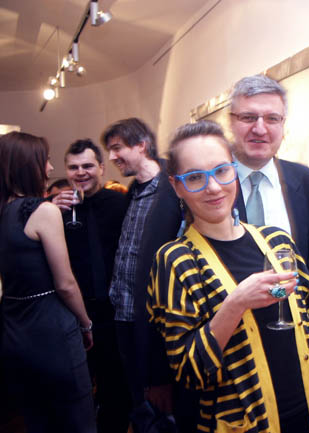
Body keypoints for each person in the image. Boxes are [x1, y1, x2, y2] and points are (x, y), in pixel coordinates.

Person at [147, 120, 309, 433]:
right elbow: (189, 372)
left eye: (221, 171)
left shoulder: (277, 241)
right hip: (245, 422)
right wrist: (236, 303)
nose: (213, 187)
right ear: (177, 186)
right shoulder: (176, 261)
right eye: (195, 177)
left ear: (234, 170)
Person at [0, 131, 96, 433]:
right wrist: (86, 324)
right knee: (78, 419)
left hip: (13, 329)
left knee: (37, 418)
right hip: (51, 330)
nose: (51, 168)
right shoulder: (44, 211)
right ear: (28, 165)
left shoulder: (4, 210)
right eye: (46, 160)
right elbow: (65, 283)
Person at [100, 118, 182, 425]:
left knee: (162, 409)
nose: (112, 157)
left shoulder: (173, 189)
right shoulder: (133, 190)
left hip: (154, 321)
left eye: (117, 148)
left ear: (141, 146)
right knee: (138, 402)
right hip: (123, 314)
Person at [51, 139, 131, 433]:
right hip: (73, 314)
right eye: (74, 167)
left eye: (87, 166)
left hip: (115, 313)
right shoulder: (58, 209)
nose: (81, 172)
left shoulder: (121, 204)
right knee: (76, 390)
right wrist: (51, 209)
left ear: (101, 167)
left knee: (116, 388)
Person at [230, 74, 309, 269]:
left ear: (283, 123)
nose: (260, 129)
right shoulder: (207, 182)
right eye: (248, 117)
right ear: (232, 122)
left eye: (272, 119)